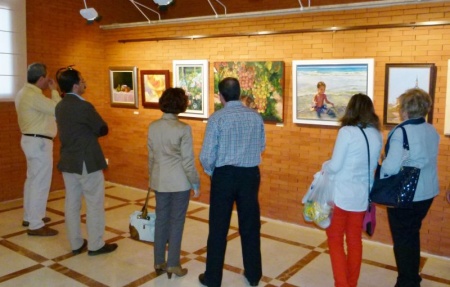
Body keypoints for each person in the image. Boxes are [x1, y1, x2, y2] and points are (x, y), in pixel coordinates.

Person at [199, 77, 266, 287]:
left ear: (221, 96)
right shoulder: (256, 117)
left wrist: (213, 172)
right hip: (249, 176)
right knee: (250, 226)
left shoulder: (217, 119)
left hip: (224, 176)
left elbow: (207, 155)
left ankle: (213, 279)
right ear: (238, 93)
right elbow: (261, 145)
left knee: (218, 228)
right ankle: (253, 275)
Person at [55, 67, 118, 256]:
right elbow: (102, 128)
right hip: (86, 160)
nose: (84, 83)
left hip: (68, 160)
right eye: (82, 80)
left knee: (72, 203)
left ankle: (75, 243)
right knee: (94, 202)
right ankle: (96, 244)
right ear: (75, 85)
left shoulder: (60, 105)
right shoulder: (84, 106)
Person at [380, 88, 439, 287]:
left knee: (403, 239)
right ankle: (413, 277)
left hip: (406, 194)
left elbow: (391, 167)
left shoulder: (401, 131)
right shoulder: (431, 129)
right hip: (427, 192)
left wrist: (383, 163)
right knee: (412, 234)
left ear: (405, 108)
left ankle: (407, 282)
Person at [322, 93, 382, 287]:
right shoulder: (376, 134)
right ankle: (351, 282)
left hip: (341, 195)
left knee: (335, 238)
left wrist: (325, 165)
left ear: (351, 109)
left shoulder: (346, 132)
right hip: (361, 196)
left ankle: (342, 283)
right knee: (355, 240)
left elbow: (336, 165)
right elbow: (373, 166)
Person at [147, 87, 200, 278]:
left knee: (161, 220)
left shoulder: (153, 126)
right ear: (181, 105)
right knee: (177, 222)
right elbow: (187, 161)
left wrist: (150, 178)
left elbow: (151, 157)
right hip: (179, 183)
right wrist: (195, 182)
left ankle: (158, 261)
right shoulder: (183, 129)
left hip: (160, 180)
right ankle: (173, 264)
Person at [15, 62, 61, 236]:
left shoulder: (24, 92)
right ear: (41, 78)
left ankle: (31, 216)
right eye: (46, 77)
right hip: (39, 142)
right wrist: (55, 90)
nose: (48, 80)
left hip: (31, 141)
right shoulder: (33, 95)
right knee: (40, 182)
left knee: (33, 180)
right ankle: (35, 224)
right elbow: (58, 110)